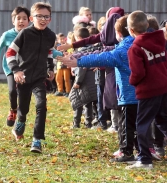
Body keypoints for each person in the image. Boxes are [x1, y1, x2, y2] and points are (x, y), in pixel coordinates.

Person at [58, 15, 139, 163]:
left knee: (125, 125)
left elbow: (102, 58)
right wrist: (76, 56)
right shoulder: (132, 44)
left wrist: (78, 61)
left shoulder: (123, 50)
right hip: (138, 95)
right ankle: (141, 151)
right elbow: (99, 51)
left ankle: (126, 152)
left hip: (129, 95)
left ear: (119, 33)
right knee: (135, 125)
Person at [125, 10, 167, 170]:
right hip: (164, 86)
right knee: (164, 121)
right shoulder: (161, 41)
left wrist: (132, 82)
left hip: (148, 90)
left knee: (142, 123)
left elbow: (138, 73)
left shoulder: (135, 48)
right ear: (147, 26)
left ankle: (144, 160)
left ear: (131, 30)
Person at [6, 2, 56, 153]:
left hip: (39, 78)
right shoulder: (25, 34)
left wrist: (50, 68)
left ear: (50, 19)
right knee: (24, 109)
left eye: (46, 16)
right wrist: (16, 70)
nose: (43, 19)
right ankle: (20, 121)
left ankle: (37, 140)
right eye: (39, 16)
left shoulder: (51, 35)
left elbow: (49, 53)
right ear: (31, 18)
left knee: (41, 105)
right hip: (23, 78)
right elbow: (10, 53)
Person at [0, 6, 30, 127]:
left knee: (23, 93)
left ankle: (21, 118)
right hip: (11, 68)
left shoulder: (32, 34)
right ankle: (13, 110)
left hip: (26, 68)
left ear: (29, 20)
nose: (21, 21)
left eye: (24, 18)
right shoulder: (7, 35)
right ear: (13, 21)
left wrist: (58, 54)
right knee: (12, 90)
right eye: (18, 18)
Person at [69, 27, 97, 129]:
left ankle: (76, 123)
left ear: (79, 38)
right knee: (88, 102)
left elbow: (82, 68)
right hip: (92, 79)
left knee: (78, 101)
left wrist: (78, 81)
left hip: (83, 80)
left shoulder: (81, 51)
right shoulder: (93, 49)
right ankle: (88, 122)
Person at [55, 33, 71, 97]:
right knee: (58, 78)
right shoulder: (58, 47)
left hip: (66, 65)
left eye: (63, 39)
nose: (62, 40)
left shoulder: (68, 46)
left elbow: (70, 52)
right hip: (59, 64)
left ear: (65, 39)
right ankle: (60, 90)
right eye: (60, 39)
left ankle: (68, 91)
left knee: (66, 78)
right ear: (58, 40)